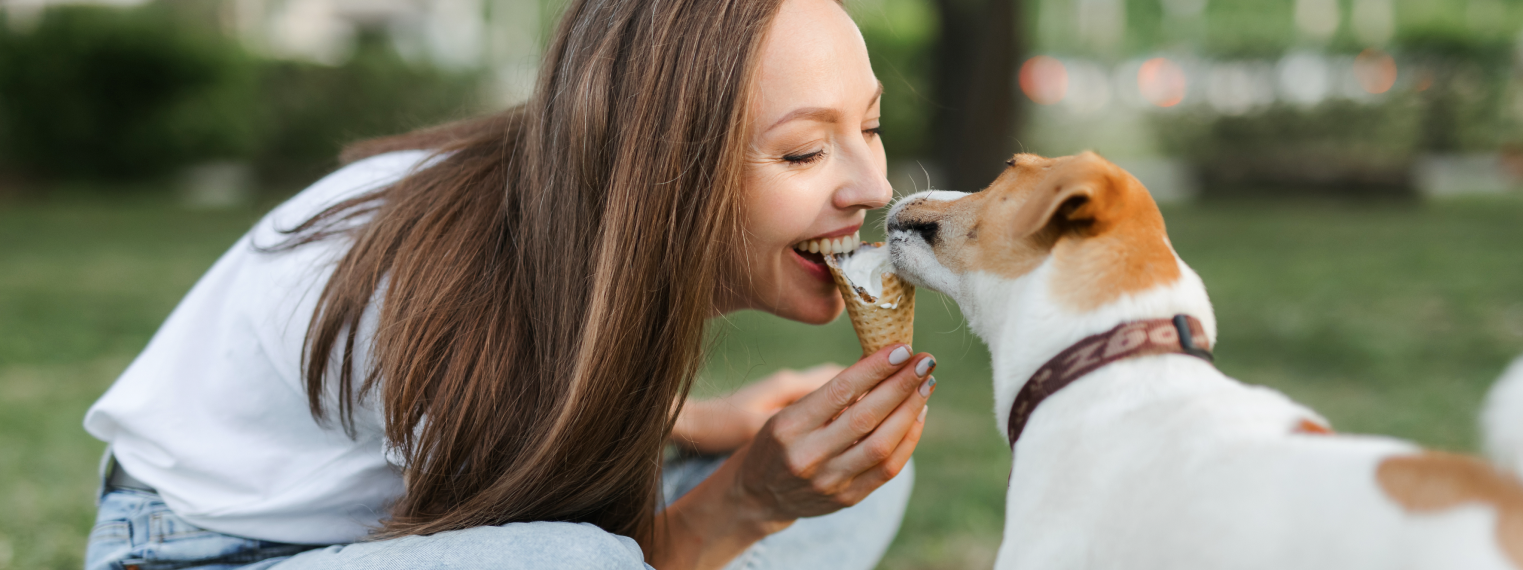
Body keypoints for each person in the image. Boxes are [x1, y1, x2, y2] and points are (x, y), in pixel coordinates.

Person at [82, 0, 938, 568]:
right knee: (582, 563)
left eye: (869, 125)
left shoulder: (576, 223)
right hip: (208, 551)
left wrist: (703, 425)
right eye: (803, 152)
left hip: (416, 519)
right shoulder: (431, 291)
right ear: (658, 170)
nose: (870, 187)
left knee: (865, 471)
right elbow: (565, 543)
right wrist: (747, 497)